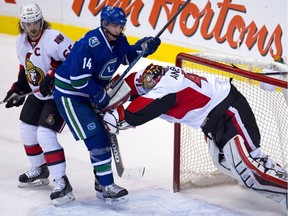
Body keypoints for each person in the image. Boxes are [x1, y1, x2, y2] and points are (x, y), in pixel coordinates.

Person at [103, 63, 288, 213]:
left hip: (229, 111)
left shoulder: (167, 88)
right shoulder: (153, 74)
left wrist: (118, 115)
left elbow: (142, 110)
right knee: (222, 163)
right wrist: (110, 99)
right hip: (212, 121)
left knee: (249, 169)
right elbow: (130, 83)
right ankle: (277, 176)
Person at [52, 6, 160, 204]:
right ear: (104, 24)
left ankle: (102, 183)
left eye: (121, 26)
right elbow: (78, 80)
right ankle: (107, 185)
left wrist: (143, 48)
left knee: (103, 135)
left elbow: (127, 57)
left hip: (90, 93)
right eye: (115, 25)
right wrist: (97, 93)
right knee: (97, 139)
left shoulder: (119, 40)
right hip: (71, 96)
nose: (119, 29)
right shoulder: (89, 44)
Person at [2, 3, 75, 206]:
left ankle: (62, 182)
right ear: (22, 24)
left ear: (41, 20)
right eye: (27, 23)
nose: (32, 27)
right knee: (26, 130)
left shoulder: (55, 39)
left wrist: (53, 76)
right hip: (38, 94)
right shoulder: (21, 41)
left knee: (45, 135)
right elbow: (26, 68)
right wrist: (18, 89)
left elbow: (76, 59)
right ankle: (41, 169)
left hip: (60, 93)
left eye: (35, 22)